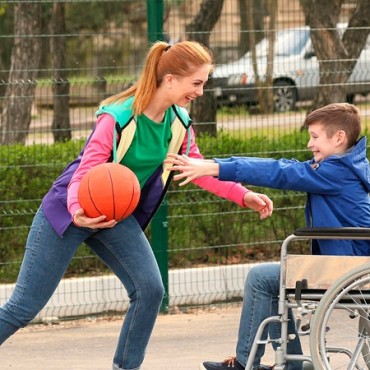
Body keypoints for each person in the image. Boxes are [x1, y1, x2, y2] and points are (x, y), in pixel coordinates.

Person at [0, 40, 273, 370]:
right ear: (170, 80)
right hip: (69, 211)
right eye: (196, 83)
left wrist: (243, 195)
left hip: (115, 214)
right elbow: (85, 171)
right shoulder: (117, 118)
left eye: (204, 83)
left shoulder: (178, 124)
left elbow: (198, 170)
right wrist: (77, 211)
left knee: (150, 290)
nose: (200, 92)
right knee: (23, 307)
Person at [165, 102, 370, 370]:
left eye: (315, 137)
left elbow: (280, 172)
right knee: (275, 280)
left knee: (262, 279)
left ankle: (244, 363)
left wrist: (215, 167)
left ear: (339, 138)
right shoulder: (347, 166)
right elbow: (285, 167)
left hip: (346, 269)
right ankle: (290, 363)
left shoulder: (336, 172)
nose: (310, 144)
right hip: (352, 264)